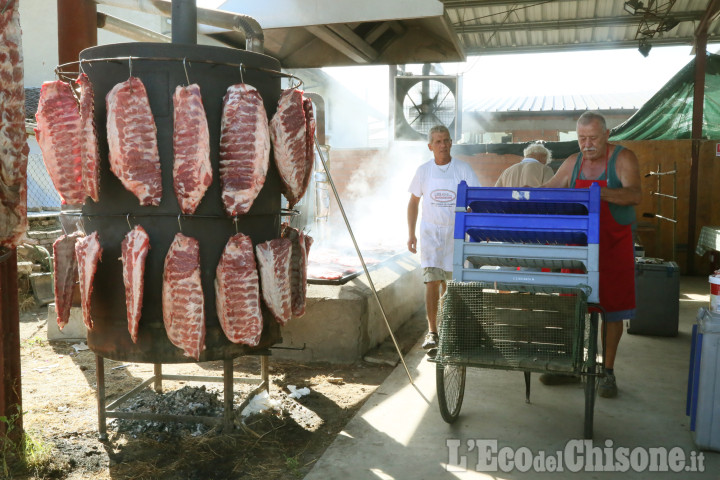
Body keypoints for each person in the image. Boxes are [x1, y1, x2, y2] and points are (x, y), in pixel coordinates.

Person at [540, 111, 641, 398]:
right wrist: (525, 195)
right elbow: (550, 190)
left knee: (612, 308)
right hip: (578, 247)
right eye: (582, 138)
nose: (587, 144)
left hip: (613, 245)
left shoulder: (622, 159)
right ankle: (571, 365)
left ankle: (607, 372)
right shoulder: (572, 163)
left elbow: (635, 195)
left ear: (607, 135)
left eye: (593, 138)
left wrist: (596, 193)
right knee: (572, 306)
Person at [407, 125, 481, 353]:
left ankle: (451, 329)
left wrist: (472, 217)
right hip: (430, 234)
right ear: (430, 146)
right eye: (438, 142)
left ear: (451, 143)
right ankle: (432, 332)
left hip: (455, 234)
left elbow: (476, 200)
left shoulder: (463, 169)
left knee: (451, 284)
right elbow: (413, 203)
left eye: (446, 141)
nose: (443, 145)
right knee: (431, 281)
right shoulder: (423, 171)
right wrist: (411, 234)